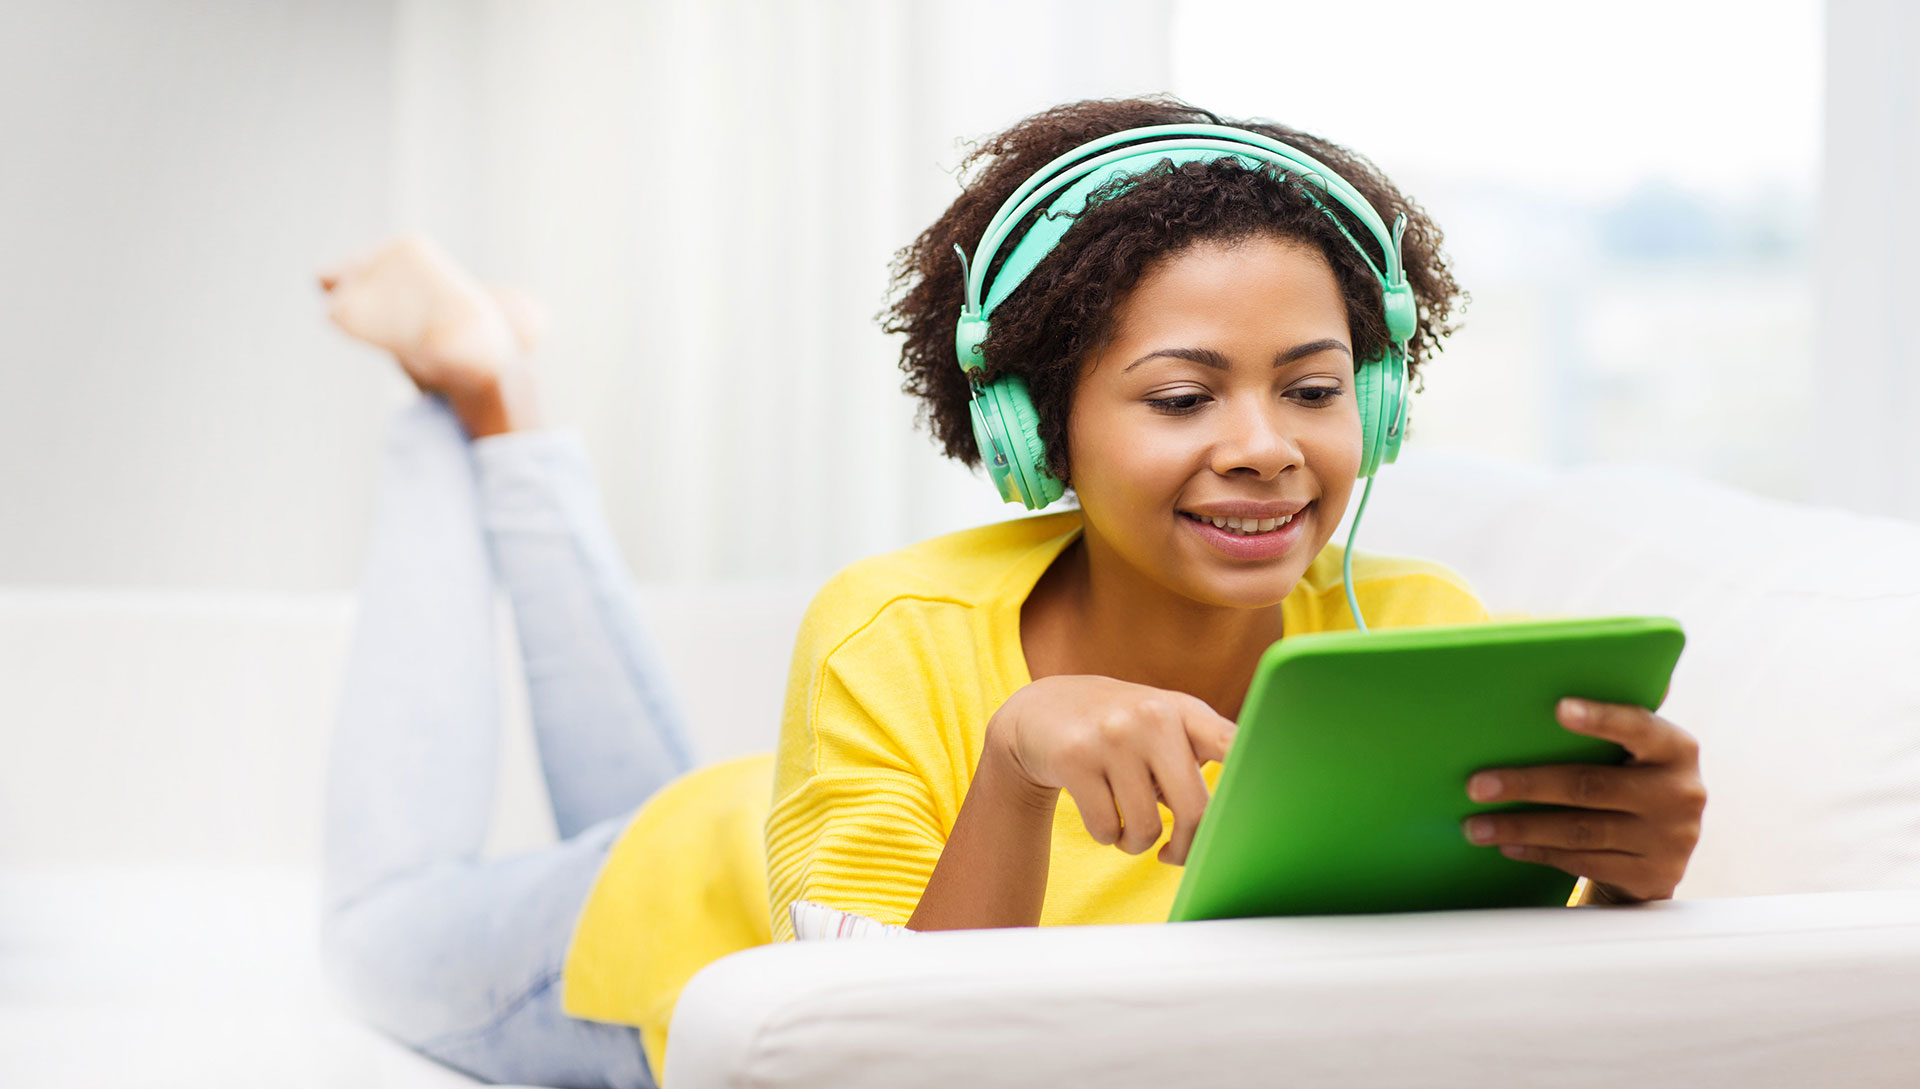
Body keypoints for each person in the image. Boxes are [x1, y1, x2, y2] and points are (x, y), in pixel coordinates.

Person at [318, 96, 1706, 1089]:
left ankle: (498, 385)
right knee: (381, 930)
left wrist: (1622, 873)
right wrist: (1014, 757)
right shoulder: (887, 625)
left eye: (1315, 384)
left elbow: (1474, 991)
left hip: (799, 828)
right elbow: (886, 1053)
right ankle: (472, 390)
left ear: (1381, 400)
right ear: (1038, 433)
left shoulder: (1421, 630)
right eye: (1181, 395)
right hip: (682, 906)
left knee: (646, 780)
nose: (1265, 442)